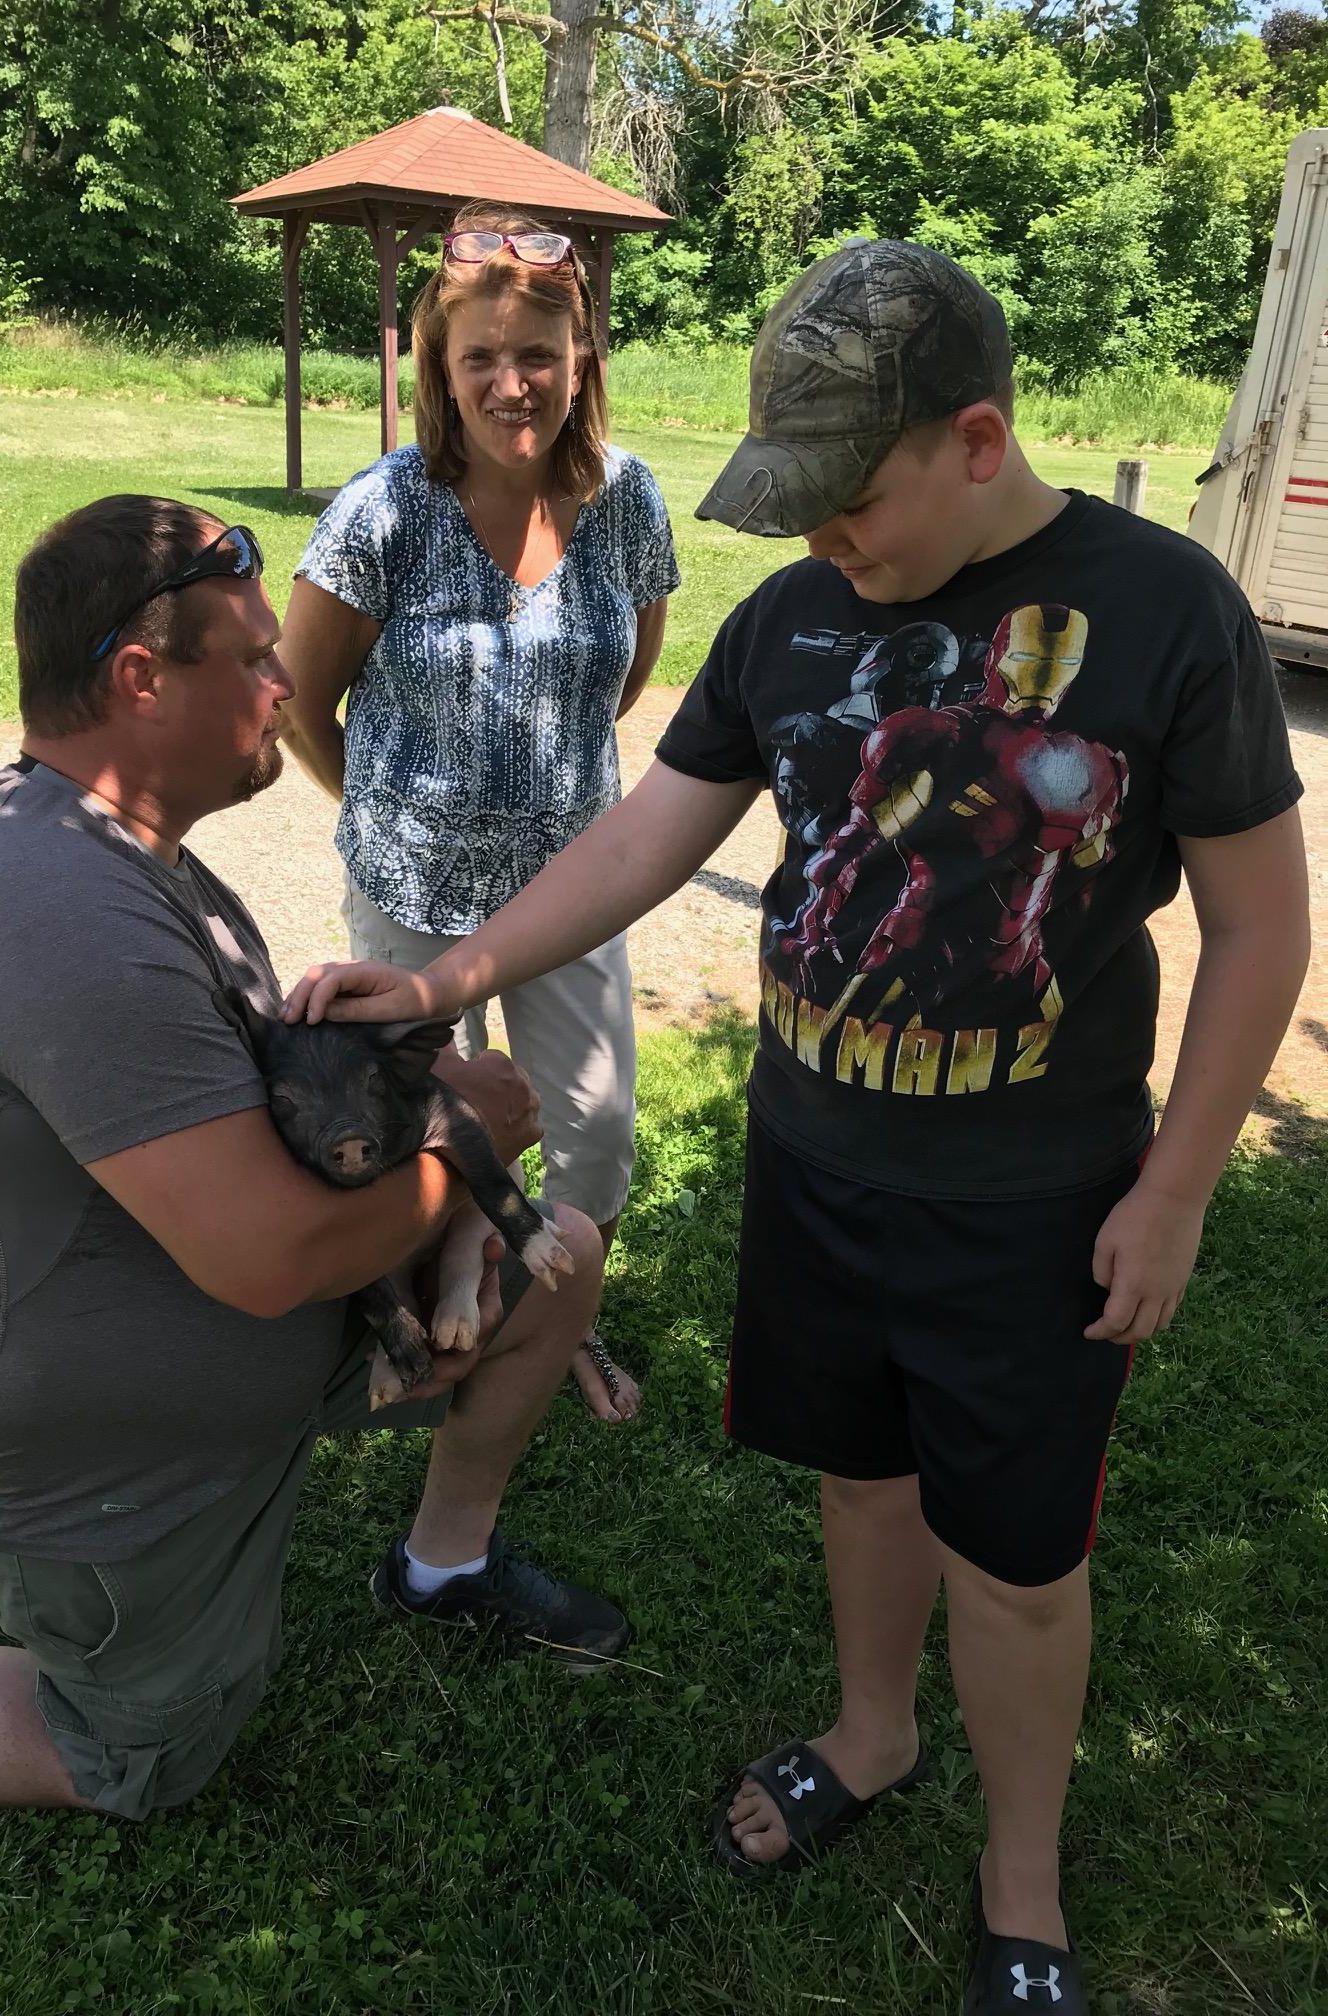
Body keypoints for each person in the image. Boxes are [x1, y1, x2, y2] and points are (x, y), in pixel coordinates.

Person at [280, 242, 1311, 2013]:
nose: (824, 536)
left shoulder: (1163, 610)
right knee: (861, 1479)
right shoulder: (788, 619)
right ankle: (870, 1731)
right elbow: (640, 840)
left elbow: (1261, 927)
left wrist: (1176, 1182)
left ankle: (1022, 1886)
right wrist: (448, 984)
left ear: (974, 439)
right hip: (820, 1168)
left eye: (851, 500)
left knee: (1017, 1555)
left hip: (1038, 1204)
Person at [0, 495, 629, 1822]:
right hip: (104, 1488)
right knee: (136, 1758)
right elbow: (274, 1258)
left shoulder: (121, 850)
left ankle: (442, 1562)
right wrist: (470, 1138)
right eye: (251, 658)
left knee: (559, 1260)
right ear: (141, 680)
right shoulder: (60, 911)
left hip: (245, 1365)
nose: (285, 682)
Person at [279, 201, 681, 1424]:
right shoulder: (383, 511)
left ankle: (561, 1319)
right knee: (414, 1129)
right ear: (441, 375)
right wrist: (378, 810)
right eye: (481, 361)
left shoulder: (628, 499)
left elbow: (630, 669)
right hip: (407, 891)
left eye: (539, 357)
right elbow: (299, 698)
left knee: (597, 1129)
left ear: (582, 360)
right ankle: (417, 1316)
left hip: (573, 883)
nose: (513, 384)